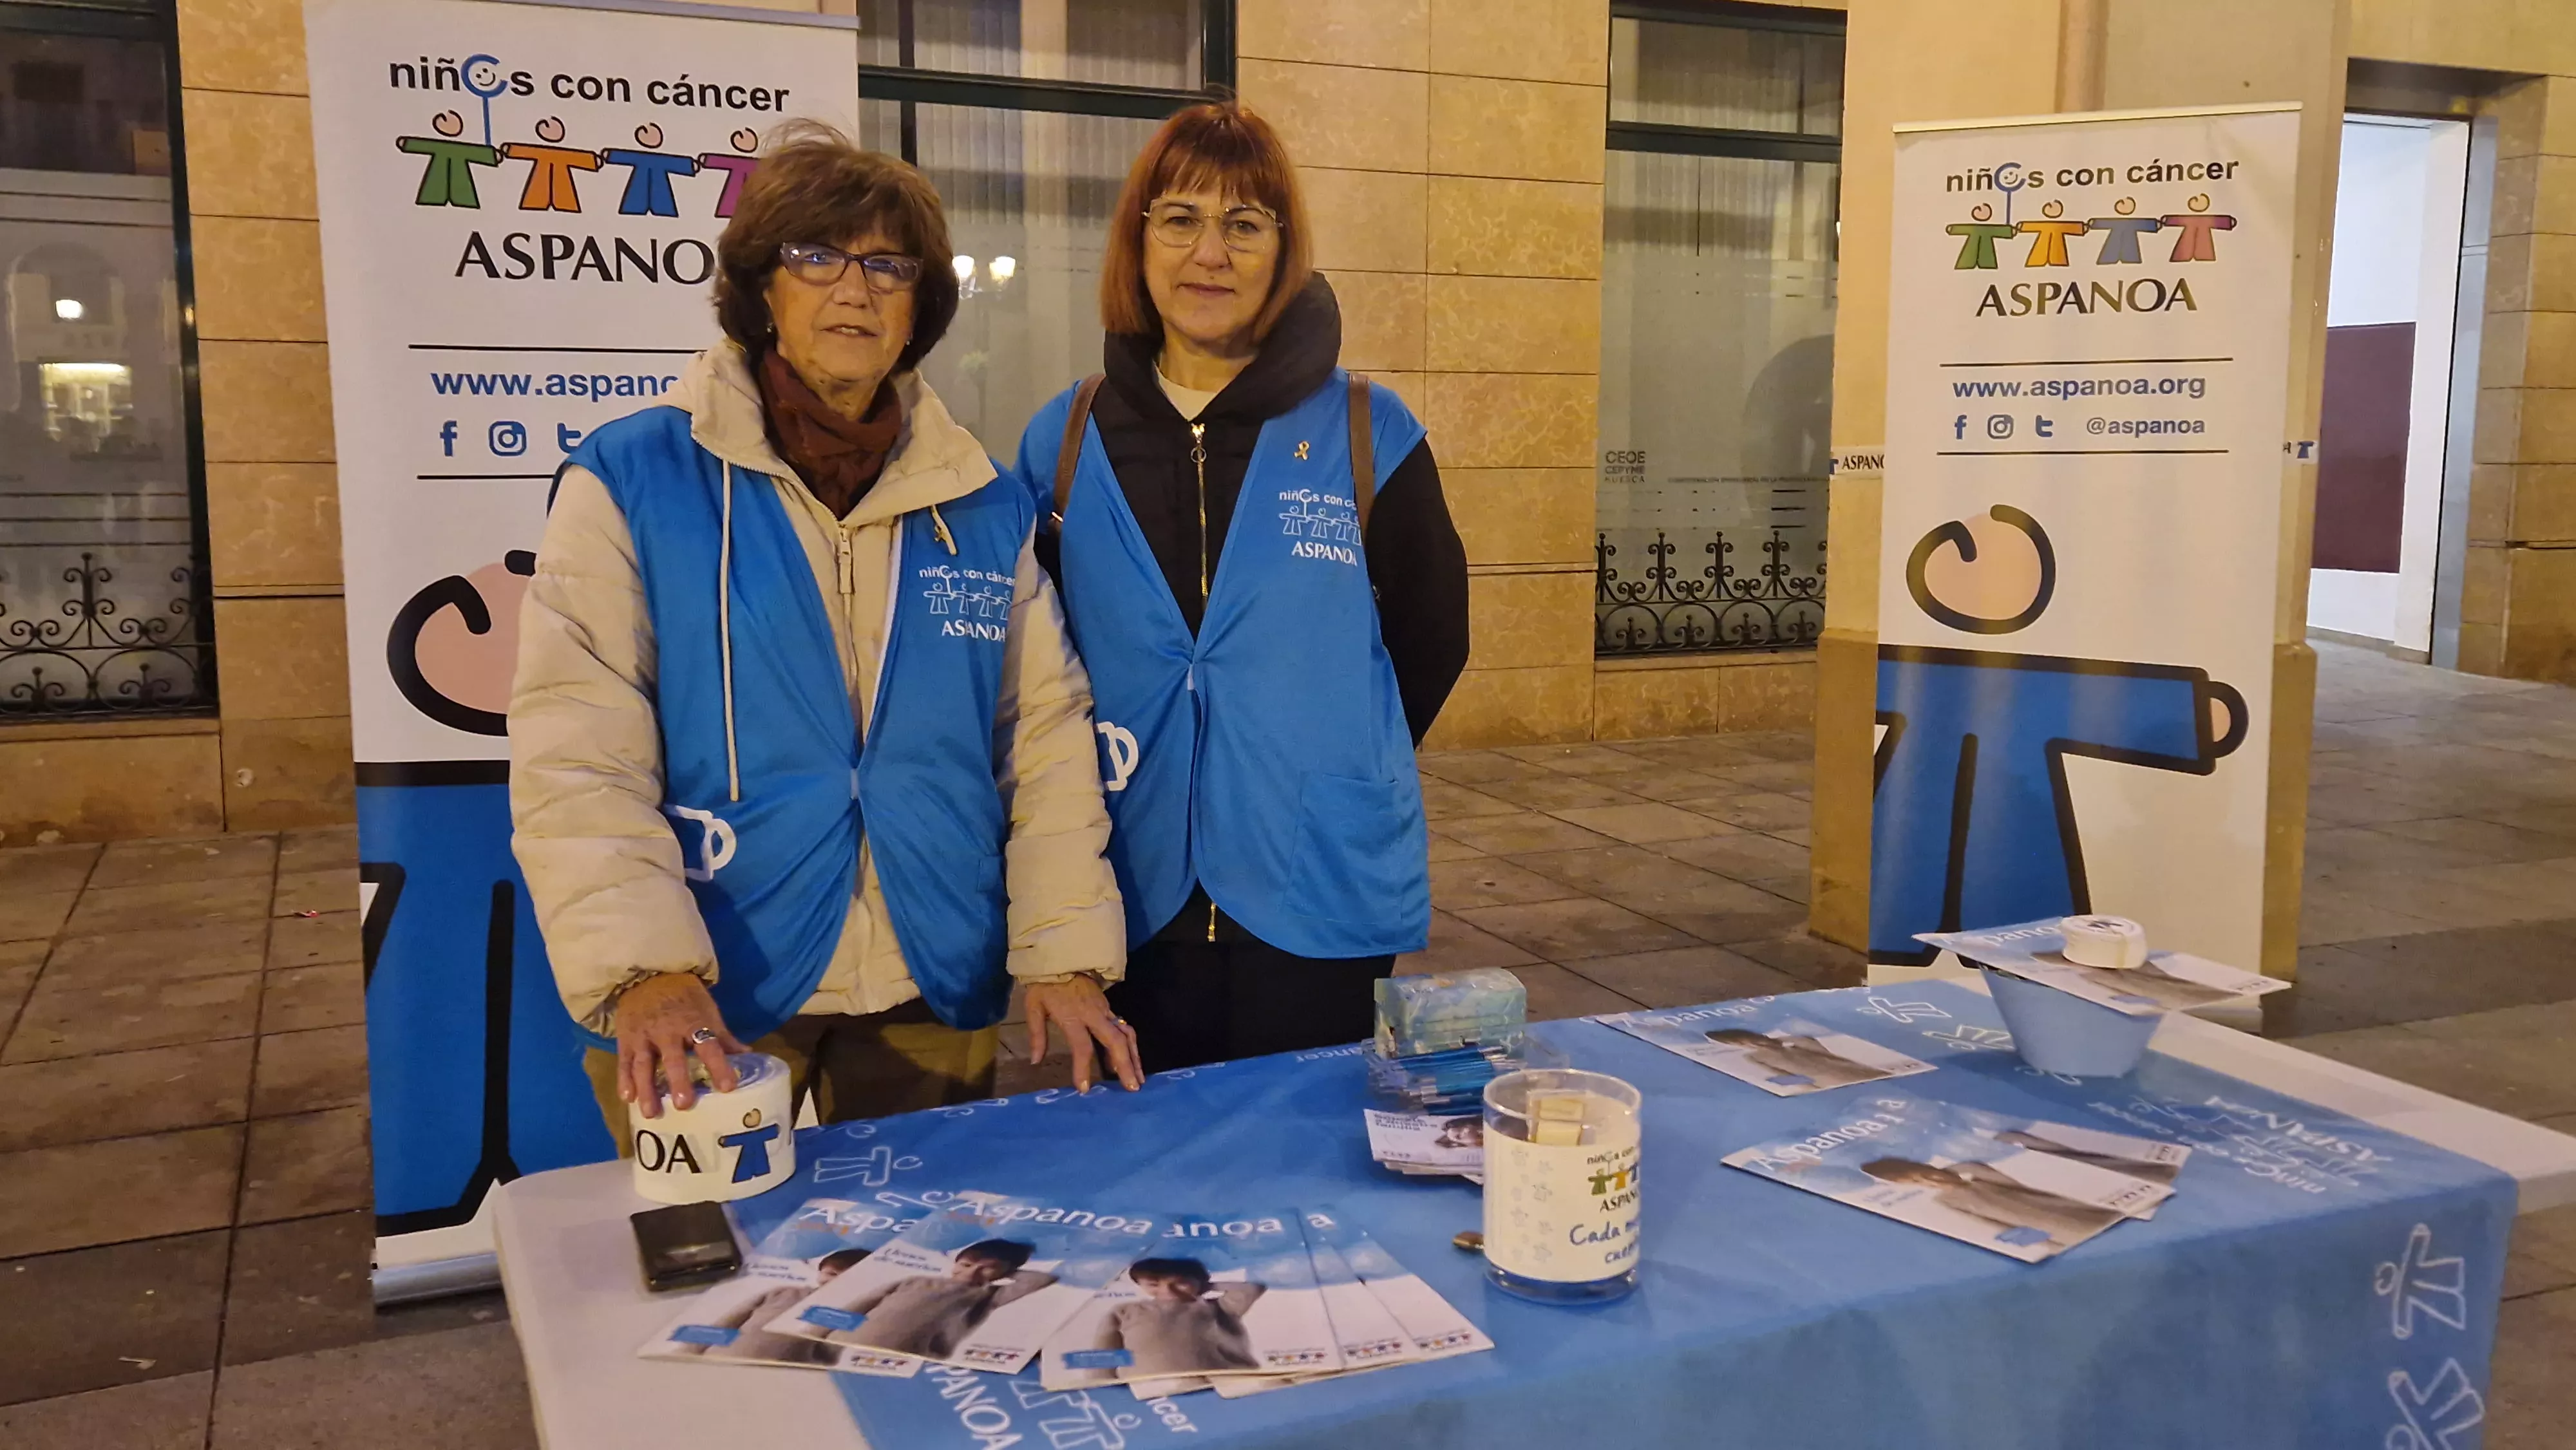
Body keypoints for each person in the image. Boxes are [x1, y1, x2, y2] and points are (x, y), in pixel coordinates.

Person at [511, 124, 1144, 1144]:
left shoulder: (981, 500)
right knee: (701, 1239)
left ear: (920, 308)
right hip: (709, 981)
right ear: (762, 286)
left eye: (889, 266)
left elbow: (1045, 735)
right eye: (818, 257)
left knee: (921, 1231)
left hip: (931, 971)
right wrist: (642, 967)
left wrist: (1062, 951)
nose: (855, 290)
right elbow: (576, 747)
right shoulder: (634, 478)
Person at [1014, 99, 1470, 1074]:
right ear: (1138, 242)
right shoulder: (1065, 437)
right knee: (1148, 1141)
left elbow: (1434, 636)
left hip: (1315, 877)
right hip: (1127, 876)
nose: (1209, 253)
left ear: (1283, 250)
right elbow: (1033, 663)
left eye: (1244, 224)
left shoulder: (1369, 430)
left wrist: (1328, 749)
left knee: (1308, 1135)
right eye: (1180, 219)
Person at [814, 1239, 1055, 1359]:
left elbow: (1041, 1279)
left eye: (987, 1268)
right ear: (954, 1264)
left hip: (905, 1355)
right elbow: (859, 1306)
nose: (972, 1272)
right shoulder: (916, 1281)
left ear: (1004, 1273)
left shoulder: (989, 1296)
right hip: (844, 1342)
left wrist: (1008, 1269)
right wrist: (814, 1334)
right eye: (966, 1265)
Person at [1861, 1157, 2126, 1249]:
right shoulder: (1948, 1202)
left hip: (2071, 1209)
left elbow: (1976, 1167)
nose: (1931, 1181)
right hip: (2055, 1231)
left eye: (1927, 1173)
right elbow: (1992, 1227)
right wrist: (2048, 1244)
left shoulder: (1979, 1178)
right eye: (1919, 1182)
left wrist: (1952, 1172)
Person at [674, 1246, 870, 1366]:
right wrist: (688, 1351)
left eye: (848, 1276)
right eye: (831, 1274)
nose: (836, 1281)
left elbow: (835, 1353)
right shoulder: (783, 1292)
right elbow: (727, 1322)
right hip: (721, 1356)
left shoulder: (850, 1310)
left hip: (779, 1370)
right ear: (820, 1273)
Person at [1095, 1257, 1266, 1378]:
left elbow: (1252, 1289)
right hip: (1149, 1385)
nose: (1168, 1291)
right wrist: (1101, 1385)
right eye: (1153, 1284)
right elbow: (1104, 1354)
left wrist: (1208, 1286)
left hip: (1228, 1379)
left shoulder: (1221, 1306)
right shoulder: (1125, 1311)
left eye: (1181, 1283)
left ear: (1201, 1283)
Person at [1704, 1027, 1891, 1089]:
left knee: (1883, 1081)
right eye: (1742, 1043)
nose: (1754, 1043)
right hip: (1827, 1080)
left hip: (1848, 1067)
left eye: (1755, 1038)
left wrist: (1787, 1040)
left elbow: (1825, 1053)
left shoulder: (1793, 1043)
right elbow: (1783, 1076)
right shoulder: (1754, 1057)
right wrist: (1810, 1088)